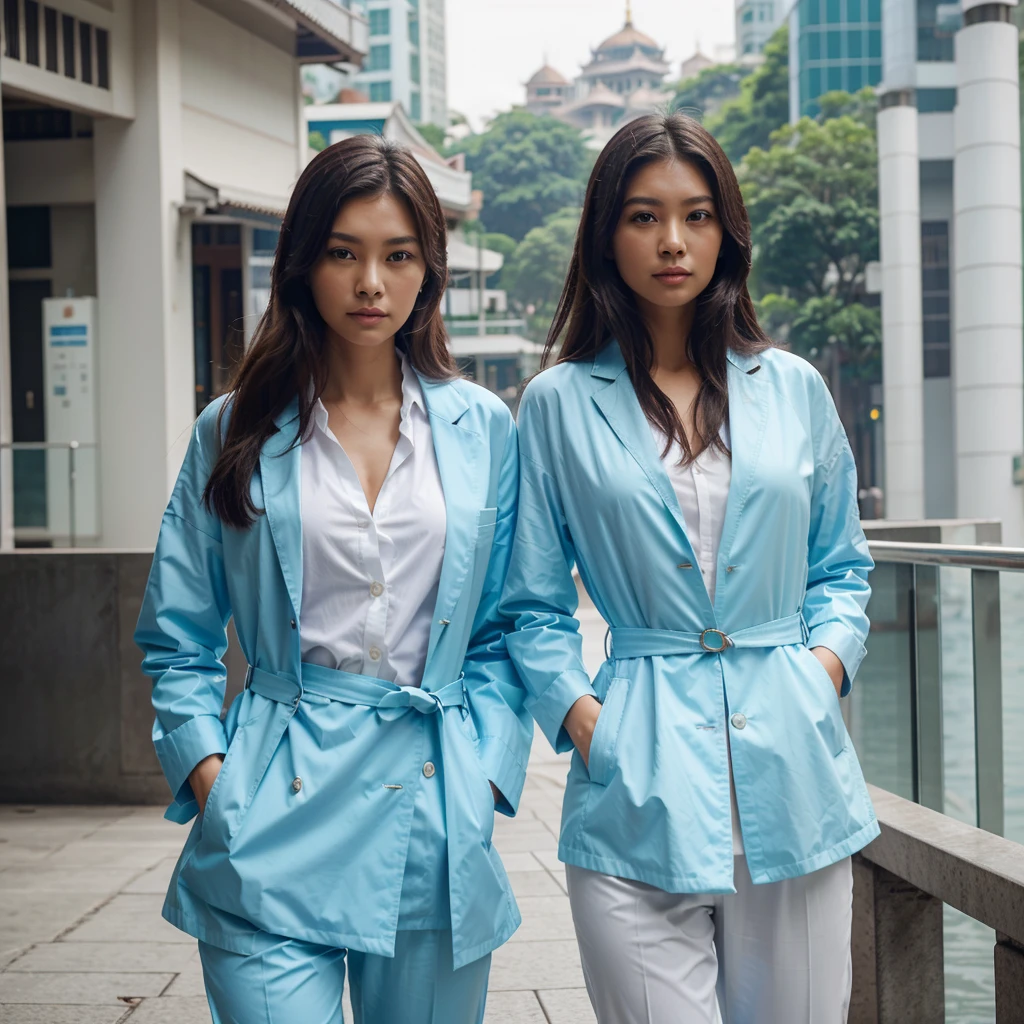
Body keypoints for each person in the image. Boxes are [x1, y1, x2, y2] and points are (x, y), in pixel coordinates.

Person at [135, 135, 531, 1024]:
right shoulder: (232, 428)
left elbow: (508, 624)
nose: (370, 285)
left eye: (397, 257)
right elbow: (178, 633)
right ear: (302, 264)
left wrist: (486, 774)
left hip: (431, 803)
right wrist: (212, 777)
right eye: (343, 254)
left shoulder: (482, 430)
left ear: (429, 271)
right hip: (275, 796)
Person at [501, 113, 877, 1023]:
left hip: (791, 772)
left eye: (698, 215)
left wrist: (819, 674)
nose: (673, 241)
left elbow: (841, 570)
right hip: (636, 776)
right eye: (643, 216)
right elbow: (531, 605)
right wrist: (588, 721)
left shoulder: (792, 387)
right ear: (605, 234)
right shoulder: (555, 403)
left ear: (727, 233)